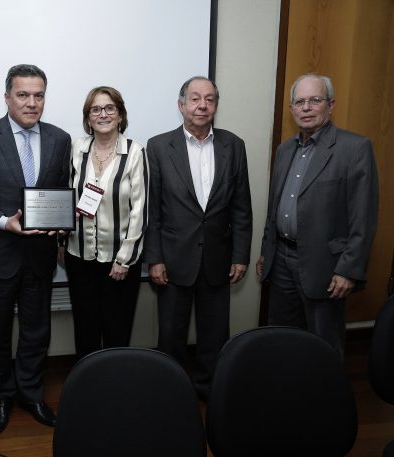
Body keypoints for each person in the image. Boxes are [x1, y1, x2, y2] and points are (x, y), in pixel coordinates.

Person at [0, 64, 71, 434]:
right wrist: (4, 221)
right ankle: (1, 397)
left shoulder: (60, 138)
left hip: (39, 255)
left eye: (38, 95)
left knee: (37, 332)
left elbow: (61, 192)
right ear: (7, 97)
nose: (31, 103)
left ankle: (31, 394)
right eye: (23, 94)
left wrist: (60, 226)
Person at [145, 76, 252, 400]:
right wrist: (155, 258)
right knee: (171, 335)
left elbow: (241, 206)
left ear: (216, 106)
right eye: (194, 99)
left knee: (215, 334)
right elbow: (153, 210)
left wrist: (241, 254)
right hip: (174, 259)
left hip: (218, 258)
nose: (202, 105)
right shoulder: (159, 146)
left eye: (209, 99)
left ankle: (209, 388)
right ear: (181, 105)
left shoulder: (234, 145)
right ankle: (172, 391)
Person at [257, 74, 379, 357]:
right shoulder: (285, 149)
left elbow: (364, 218)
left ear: (331, 105)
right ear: (291, 109)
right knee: (282, 338)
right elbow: (274, 208)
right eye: (299, 102)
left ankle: (323, 399)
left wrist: (348, 269)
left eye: (315, 100)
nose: (306, 107)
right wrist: (267, 251)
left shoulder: (354, 149)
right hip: (282, 263)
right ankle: (287, 393)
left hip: (326, 267)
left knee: (324, 345)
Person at [63, 86, 148, 359]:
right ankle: (87, 386)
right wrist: (64, 224)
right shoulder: (76, 149)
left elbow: (140, 210)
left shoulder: (135, 152)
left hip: (118, 263)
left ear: (120, 115)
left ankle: (114, 387)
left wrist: (125, 260)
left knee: (116, 330)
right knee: (85, 330)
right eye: (96, 109)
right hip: (79, 257)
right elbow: (64, 193)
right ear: (88, 118)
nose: (103, 114)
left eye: (110, 108)